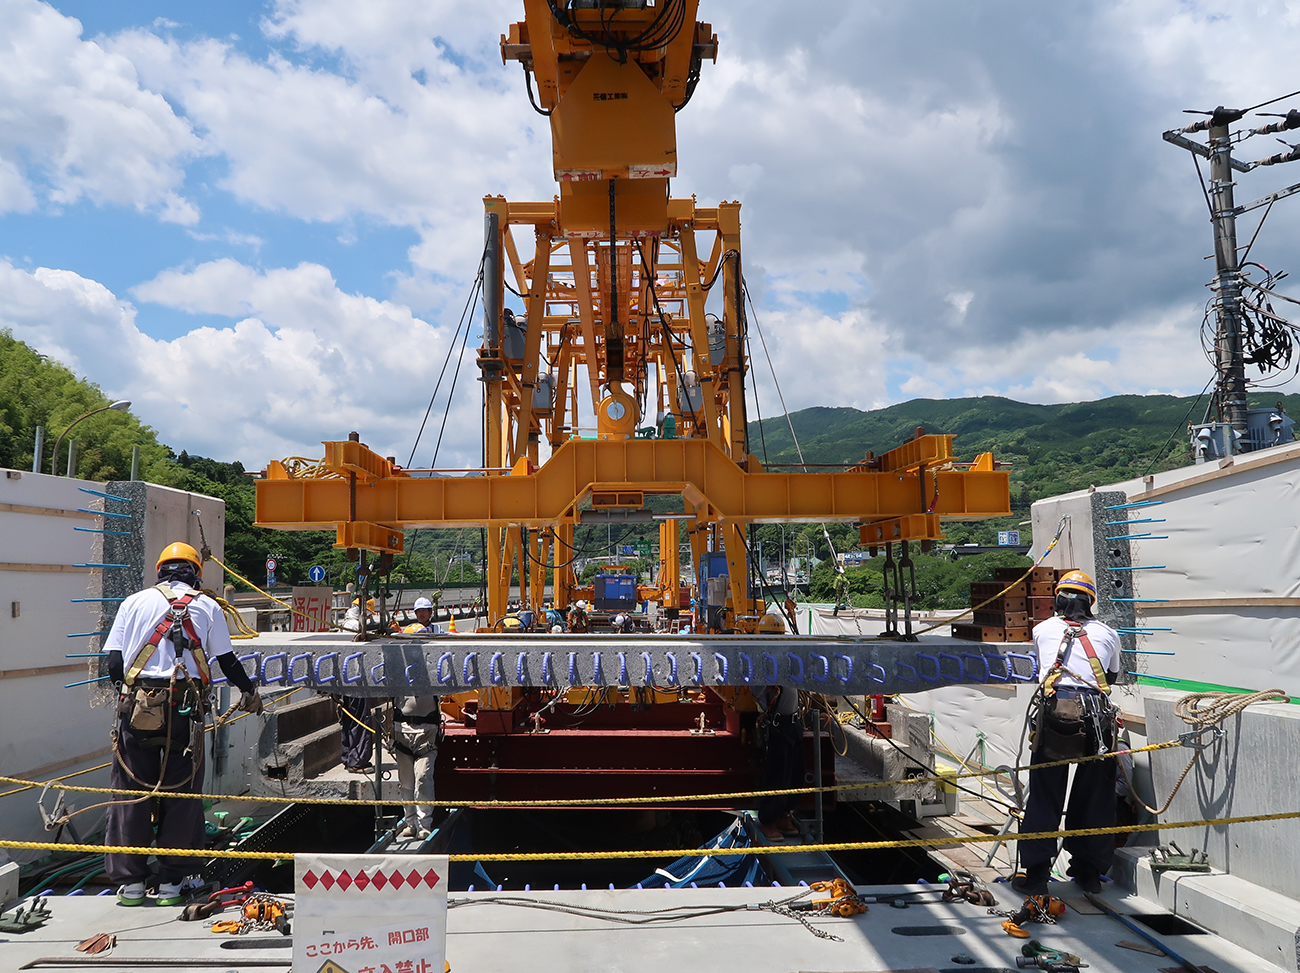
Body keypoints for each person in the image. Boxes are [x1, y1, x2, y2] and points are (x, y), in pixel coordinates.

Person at [102, 542, 261, 907]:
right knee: (182, 795)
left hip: (138, 707)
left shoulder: (133, 603)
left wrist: (128, 699)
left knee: (131, 792)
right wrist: (249, 691)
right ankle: (173, 883)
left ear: (160, 571)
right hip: (185, 709)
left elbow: (113, 663)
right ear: (195, 574)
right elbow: (227, 661)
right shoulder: (207, 606)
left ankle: (131, 883)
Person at [1013, 569, 1121, 896]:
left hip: (1055, 715)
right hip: (1096, 719)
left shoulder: (1042, 629)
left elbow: (1041, 667)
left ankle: (1036, 875)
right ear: (1090, 602)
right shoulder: (1108, 634)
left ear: (1057, 600)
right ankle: (1088, 874)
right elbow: (1111, 678)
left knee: (1045, 794)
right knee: (1095, 796)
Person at [391, 694, 441, 839]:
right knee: (406, 783)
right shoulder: (398, 681)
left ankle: (424, 824)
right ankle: (411, 822)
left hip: (427, 734)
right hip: (402, 732)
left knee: (423, 777)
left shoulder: (433, 681)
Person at [756, 685, 803, 841]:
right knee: (777, 776)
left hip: (793, 724)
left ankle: (785, 815)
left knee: (795, 774)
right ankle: (768, 821)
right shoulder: (766, 673)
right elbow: (756, 690)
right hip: (778, 725)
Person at [336, 597, 377, 772]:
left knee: (349, 719)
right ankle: (358, 761)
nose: (369, 618)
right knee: (360, 720)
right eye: (368, 614)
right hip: (356, 679)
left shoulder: (345, 623)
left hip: (346, 679)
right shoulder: (354, 626)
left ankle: (348, 757)